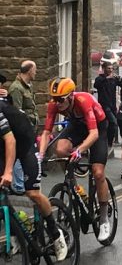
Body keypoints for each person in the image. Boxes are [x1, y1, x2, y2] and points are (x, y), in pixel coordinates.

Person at [39, 77, 111, 242]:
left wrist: (79, 150)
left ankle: (103, 218)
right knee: (60, 149)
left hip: (97, 128)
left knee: (98, 173)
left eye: (60, 99)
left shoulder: (83, 100)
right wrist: (40, 154)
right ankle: (77, 188)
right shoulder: (54, 105)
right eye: (54, 99)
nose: (57, 103)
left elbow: (94, 134)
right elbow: (46, 132)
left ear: (71, 96)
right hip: (77, 126)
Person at [0, 97, 67, 261]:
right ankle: (18, 232)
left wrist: (8, 172)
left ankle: (55, 234)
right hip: (3, 148)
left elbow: (10, 141)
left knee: (32, 193)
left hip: (25, 144)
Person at [9, 60, 40, 194]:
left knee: (28, 155)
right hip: (22, 129)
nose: (36, 72)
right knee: (19, 155)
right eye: (35, 70)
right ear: (28, 71)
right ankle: (18, 185)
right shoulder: (16, 88)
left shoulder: (27, 86)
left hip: (30, 127)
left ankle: (23, 183)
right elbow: (17, 111)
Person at [94, 62, 120, 150]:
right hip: (104, 105)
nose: (111, 70)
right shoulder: (99, 78)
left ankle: (108, 142)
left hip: (112, 105)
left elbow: (120, 84)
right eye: (109, 68)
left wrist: (119, 79)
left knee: (108, 124)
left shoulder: (113, 79)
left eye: (112, 68)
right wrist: (107, 78)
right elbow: (96, 85)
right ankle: (108, 143)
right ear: (104, 68)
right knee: (113, 122)